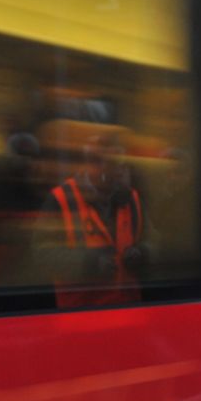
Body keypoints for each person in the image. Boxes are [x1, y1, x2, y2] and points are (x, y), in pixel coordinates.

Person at [45, 132, 148, 309]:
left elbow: (153, 240)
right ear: (88, 164)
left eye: (116, 163)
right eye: (99, 161)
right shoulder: (61, 199)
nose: (109, 169)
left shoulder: (131, 198)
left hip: (127, 311)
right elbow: (43, 255)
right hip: (81, 314)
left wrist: (143, 252)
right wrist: (89, 263)